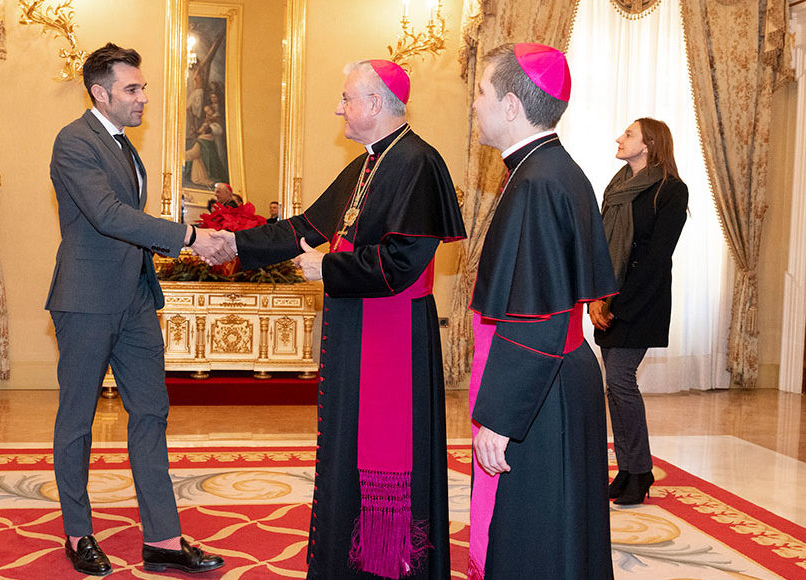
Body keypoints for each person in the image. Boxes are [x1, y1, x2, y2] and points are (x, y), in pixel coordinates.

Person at [216, 59, 465, 579]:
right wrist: (231, 243)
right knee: (346, 452)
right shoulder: (366, 164)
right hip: (357, 332)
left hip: (394, 341)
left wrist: (327, 267)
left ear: (376, 103)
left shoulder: (418, 163)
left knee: (386, 456)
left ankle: (391, 568)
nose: (338, 108)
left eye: (346, 98)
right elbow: (303, 228)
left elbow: (402, 263)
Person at [46, 42, 231, 577]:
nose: (143, 97)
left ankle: (163, 540)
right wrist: (190, 237)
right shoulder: (74, 141)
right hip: (86, 300)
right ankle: (78, 533)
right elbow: (107, 215)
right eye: (132, 88)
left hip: (136, 299)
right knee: (77, 419)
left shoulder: (125, 146)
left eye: (143, 87)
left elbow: (128, 221)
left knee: (151, 413)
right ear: (100, 94)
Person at [466, 43, 617, 579]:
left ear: (511, 105)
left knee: (536, 535)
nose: (474, 103)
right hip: (559, 376)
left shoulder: (535, 182)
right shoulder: (552, 169)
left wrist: (501, 416)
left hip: (541, 388)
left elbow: (537, 314)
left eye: (481, 91)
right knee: (562, 531)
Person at [589, 118, 688, 506]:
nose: (619, 138)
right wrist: (596, 299)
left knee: (620, 380)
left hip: (642, 301)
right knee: (614, 387)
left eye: (629, 134)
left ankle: (641, 469)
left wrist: (619, 305)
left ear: (648, 145)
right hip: (610, 298)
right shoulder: (617, 188)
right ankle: (627, 470)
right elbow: (601, 247)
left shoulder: (671, 190)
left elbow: (657, 258)